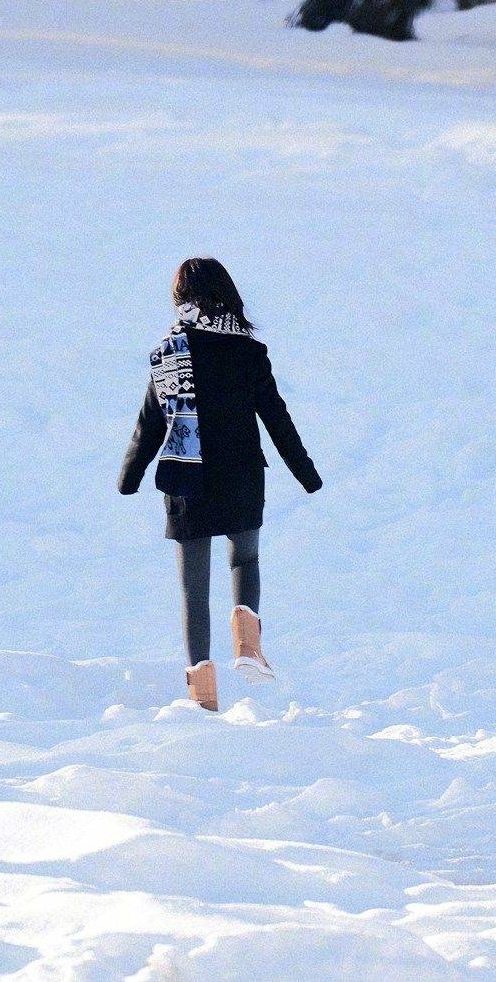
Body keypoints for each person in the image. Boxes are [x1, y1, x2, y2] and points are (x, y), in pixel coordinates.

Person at [119, 256, 321, 710]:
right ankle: (248, 649)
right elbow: (277, 419)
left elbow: (149, 424)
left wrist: (128, 479)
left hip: (186, 482)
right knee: (244, 561)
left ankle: (202, 695)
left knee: (194, 589)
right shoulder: (249, 353)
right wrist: (306, 474)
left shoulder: (170, 354)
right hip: (242, 476)